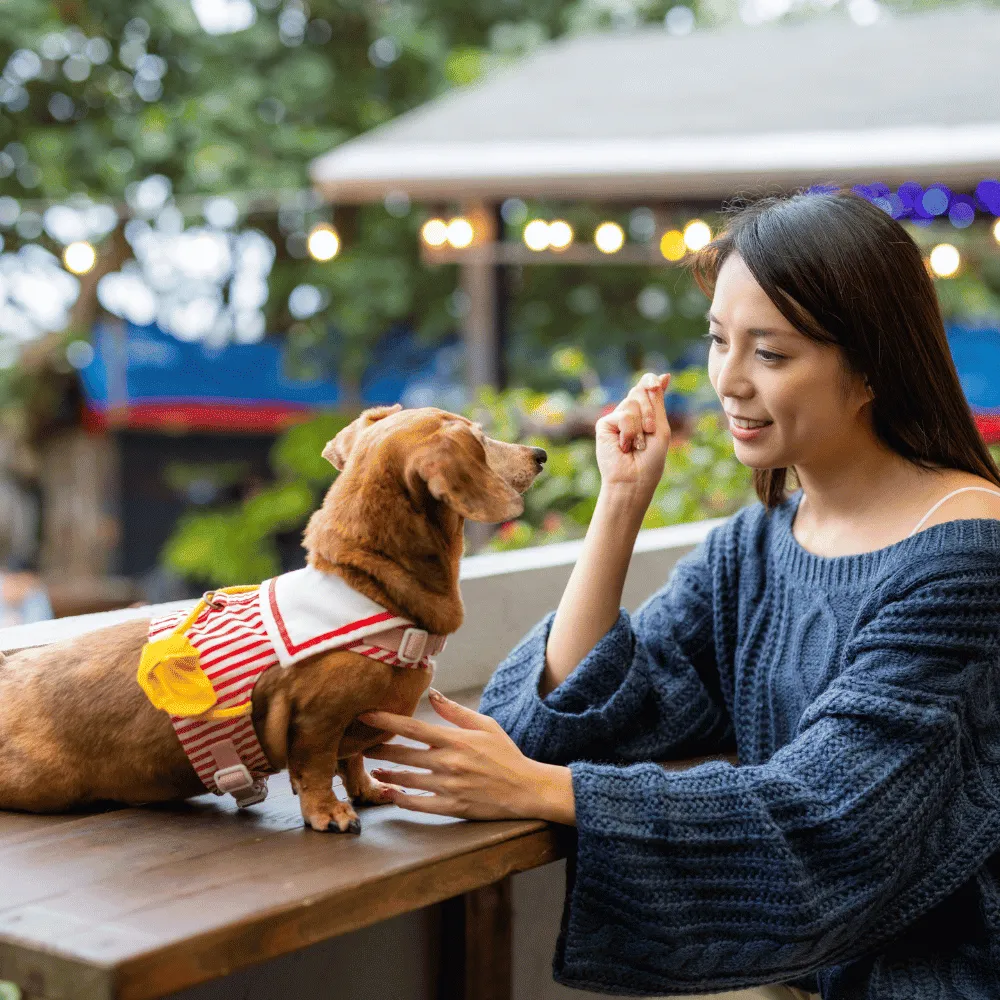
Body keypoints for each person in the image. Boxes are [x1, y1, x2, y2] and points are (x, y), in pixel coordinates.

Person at [359, 190, 1000, 1000]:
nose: (727, 381)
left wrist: (542, 793)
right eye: (718, 340)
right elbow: (550, 726)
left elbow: (829, 814)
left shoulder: (968, 554)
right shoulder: (758, 544)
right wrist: (619, 503)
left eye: (770, 353)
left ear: (872, 363)